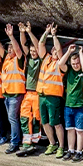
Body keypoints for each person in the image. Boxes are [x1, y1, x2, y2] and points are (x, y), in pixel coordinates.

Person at [35, 27, 67, 157]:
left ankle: (61, 146)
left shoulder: (60, 64)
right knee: (44, 122)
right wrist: (47, 31)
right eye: (52, 49)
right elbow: (40, 44)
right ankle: (52, 143)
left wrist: (54, 36)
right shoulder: (46, 59)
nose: (54, 50)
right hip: (42, 96)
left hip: (53, 97)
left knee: (56, 123)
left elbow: (59, 50)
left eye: (56, 50)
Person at [1, 25, 27, 154]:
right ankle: (16, 139)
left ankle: (15, 142)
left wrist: (11, 35)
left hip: (16, 94)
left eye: (12, 47)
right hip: (7, 94)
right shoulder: (6, 60)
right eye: (8, 47)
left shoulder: (19, 59)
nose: (10, 49)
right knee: (12, 118)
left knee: (13, 118)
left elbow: (18, 49)